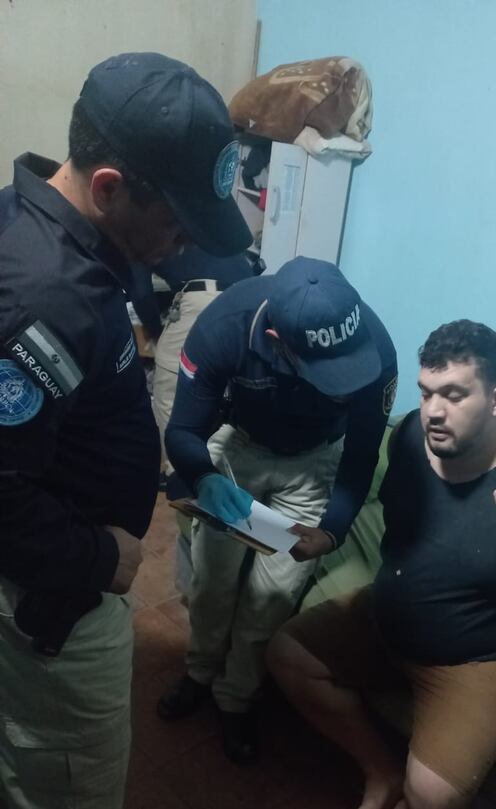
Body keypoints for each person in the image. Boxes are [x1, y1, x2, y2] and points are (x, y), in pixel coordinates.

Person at [0, 52, 250, 809]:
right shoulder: (45, 297)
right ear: (108, 188)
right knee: (70, 782)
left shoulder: (48, 229)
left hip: (59, 573)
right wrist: (103, 555)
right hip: (55, 602)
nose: (185, 240)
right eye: (176, 219)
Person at [266, 320, 496, 809]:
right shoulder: (408, 436)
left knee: (430, 794)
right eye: (426, 393)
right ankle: (380, 773)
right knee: (287, 655)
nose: (433, 412)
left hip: (482, 653)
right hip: (391, 614)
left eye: (454, 395)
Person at [156, 256, 398, 763]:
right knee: (213, 580)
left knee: (273, 596)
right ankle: (200, 672)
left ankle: (236, 696)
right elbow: (183, 429)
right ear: (274, 338)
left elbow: (361, 455)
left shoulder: (375, 349)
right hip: (240, 449)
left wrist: (332, 531)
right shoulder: (224, 326)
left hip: (315, 462)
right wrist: (203, 477)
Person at [131, 246, 257, 477]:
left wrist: (156, 332)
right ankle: (221, 475)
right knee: (227, 394)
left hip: (203, 298)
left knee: (172, 390)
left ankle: (183, 478)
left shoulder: (142, 231)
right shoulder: (204, 228)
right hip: (247, 299)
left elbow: (139, 290)